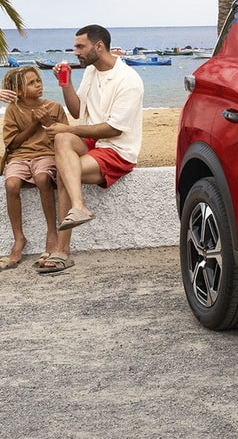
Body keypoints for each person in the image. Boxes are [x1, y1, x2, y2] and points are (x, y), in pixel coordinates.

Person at [38, 25, 144, 274]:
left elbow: (113, 129)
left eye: (80, 47)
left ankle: (62, 251)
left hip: (116, 150)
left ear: (99, 46)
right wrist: (65, 83)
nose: (75, 52)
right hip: (91, 143)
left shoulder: (128, 80)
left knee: (64, 172)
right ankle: (79, 206)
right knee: (62, 140)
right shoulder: (90, 72)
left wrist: (69, 129)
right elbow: (77, 112)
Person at [2, 67, 68, 270]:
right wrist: (34, 124)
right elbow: (13, 144)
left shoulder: (54, 107)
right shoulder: (13, 110)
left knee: (42, 178)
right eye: (31, 83)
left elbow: (64, 138)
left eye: (38, 80)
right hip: (20, 156)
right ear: (19, 91)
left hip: (46, 154)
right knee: (11, 184)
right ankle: (19, 238)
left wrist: (46, 122)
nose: (38, 84)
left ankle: (51, 233)